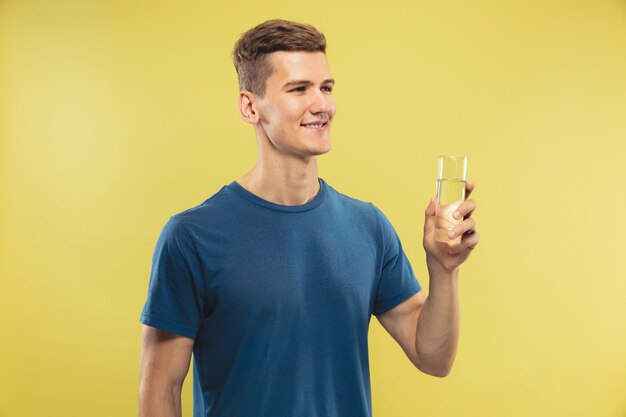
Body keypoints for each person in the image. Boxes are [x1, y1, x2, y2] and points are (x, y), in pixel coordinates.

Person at [138, 18, 479, 417]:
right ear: (251, 107)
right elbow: (160, 392)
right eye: (299, 89)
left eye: (326, 88)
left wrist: (444, 270)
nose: (321, 105)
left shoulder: (368, 227)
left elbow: (433, 357)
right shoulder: (191, 237)